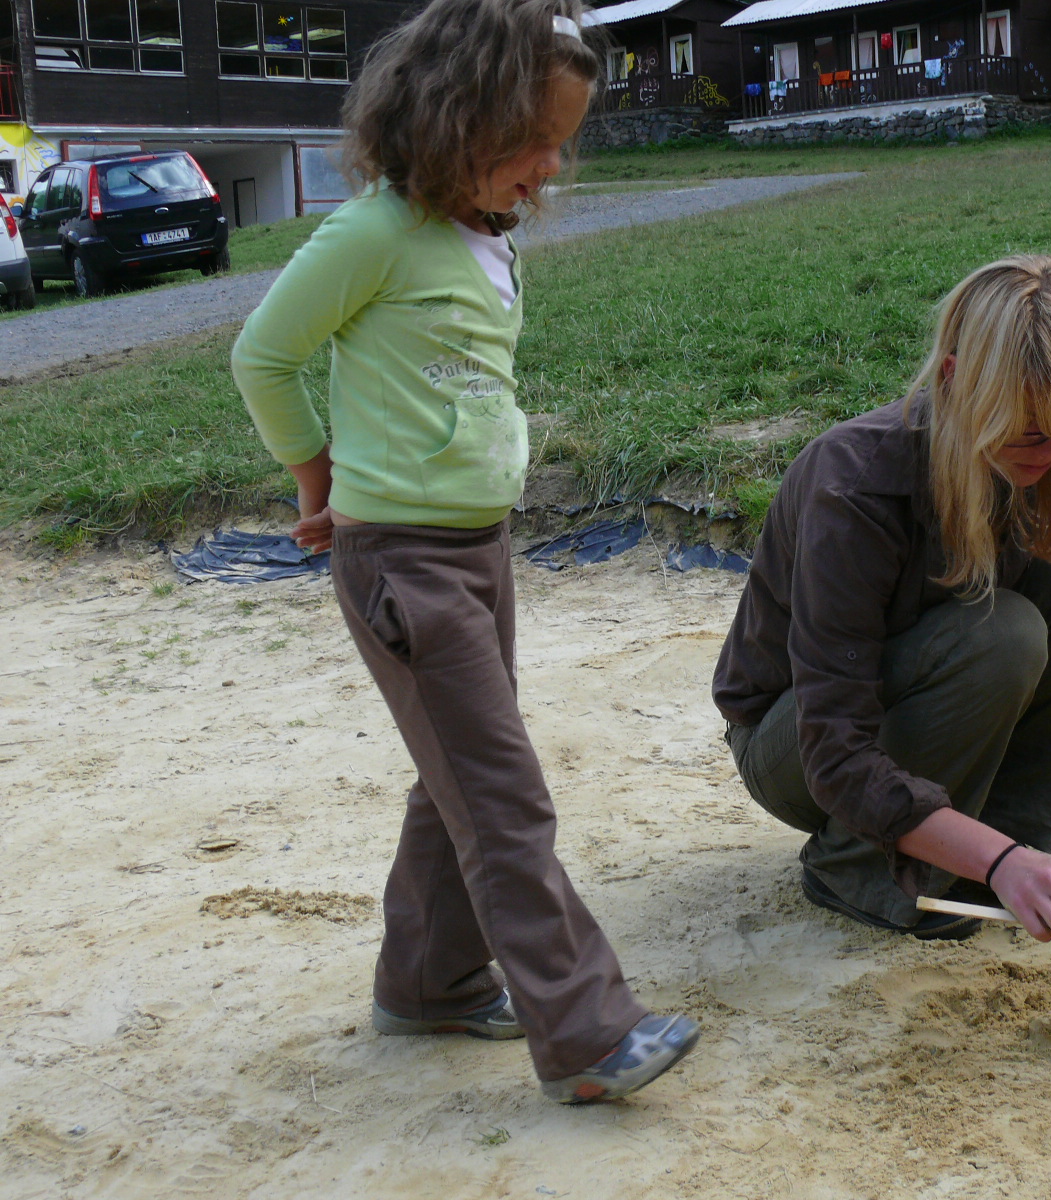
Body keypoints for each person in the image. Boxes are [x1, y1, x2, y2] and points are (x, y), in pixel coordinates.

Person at [230, 0, 697, 1104]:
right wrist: (317, 475)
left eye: (561, 143)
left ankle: (429, 982)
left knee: (462, 773)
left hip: (479, 549)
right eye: (528, 140)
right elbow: (264, 354)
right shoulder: (373, 234)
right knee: (502, 796)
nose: (549, 167)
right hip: (402, 562)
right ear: (448, 120)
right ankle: (586, 1035)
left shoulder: (482, 234)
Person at [713, 256, 1051, 945]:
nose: (1047, 448)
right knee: (1003, 634)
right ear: (952, 379)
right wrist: (998, 861)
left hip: (915, 713)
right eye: (1023, 426)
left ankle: (1028, 849)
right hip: (799, 750)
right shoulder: (853, 488)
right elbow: (835, 750)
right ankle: (858, 870)